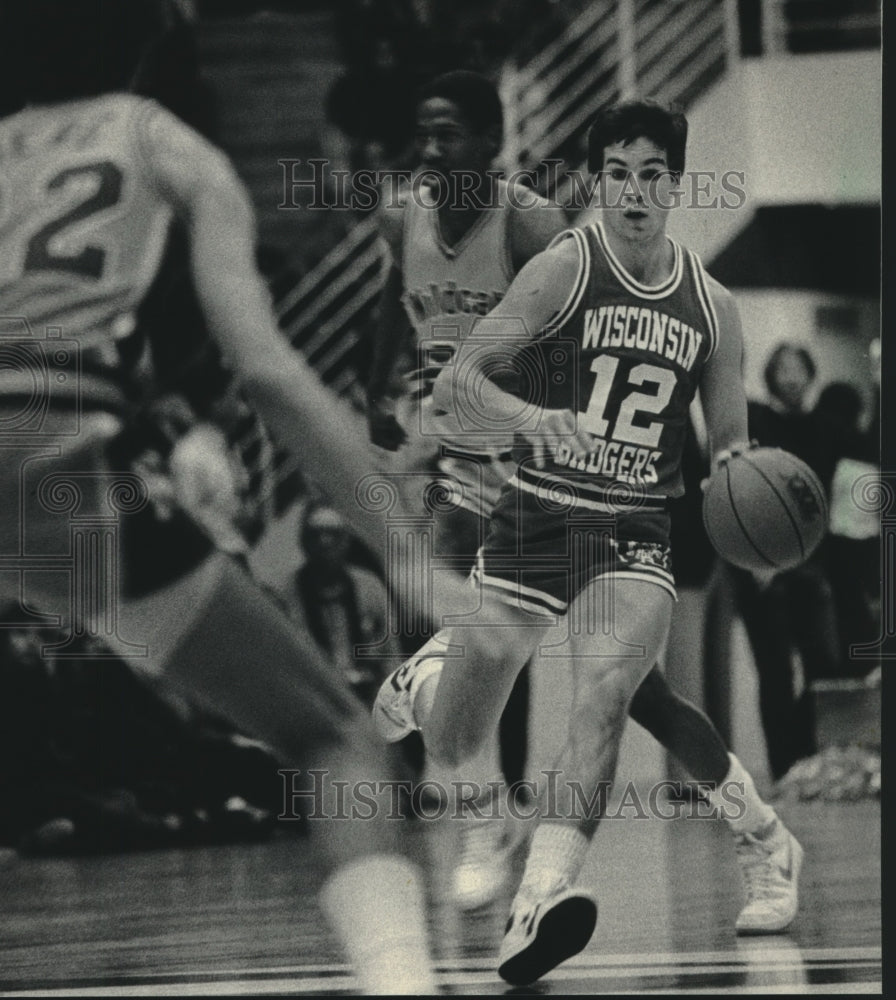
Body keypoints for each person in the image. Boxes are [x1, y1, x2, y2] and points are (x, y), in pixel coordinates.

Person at [0, 2, 437, 992]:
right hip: (62, 477)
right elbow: (276, 380)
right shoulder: (167, 146)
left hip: (58, 460)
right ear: (147, 39)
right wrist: (409, 555)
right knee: (333, 737)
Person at [373, 100, 804, 984]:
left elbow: (730, 448)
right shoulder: (564, 270)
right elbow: (458, 389)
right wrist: (536, 416)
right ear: (597, 180)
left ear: (677, 182)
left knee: (607, 690)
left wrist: (746, 485)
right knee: (463, 738)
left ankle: (539, 903)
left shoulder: (714, 309)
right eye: (618, 172)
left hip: (638, 529)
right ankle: (763, 832)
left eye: (653, 173)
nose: (635, 191)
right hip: (538, 512)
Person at [366, 68, 569, 910]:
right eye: (425, 130)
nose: (432, 147)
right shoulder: (399, 213)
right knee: (448, 620)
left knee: (514, 645)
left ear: (491, 143)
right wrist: (378, 385)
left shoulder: (529, 222)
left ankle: (508, 799)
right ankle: (488, 812)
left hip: (535, 457)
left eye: (451, 132)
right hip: (458, 457)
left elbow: (570, 343)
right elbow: (393, 299)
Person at [731, 344, 840, 779]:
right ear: (771, 376)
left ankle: (808, 757)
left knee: (822, 667)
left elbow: (827, 503)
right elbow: (749, 498)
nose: (791, 377)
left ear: (811, 374)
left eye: (798, 368)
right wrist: (759, 558)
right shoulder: (758, 420)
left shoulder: (824, 427)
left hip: (812, 564)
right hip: (766, 567)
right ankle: (783, 765)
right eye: (783, 369)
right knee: (774, 672)